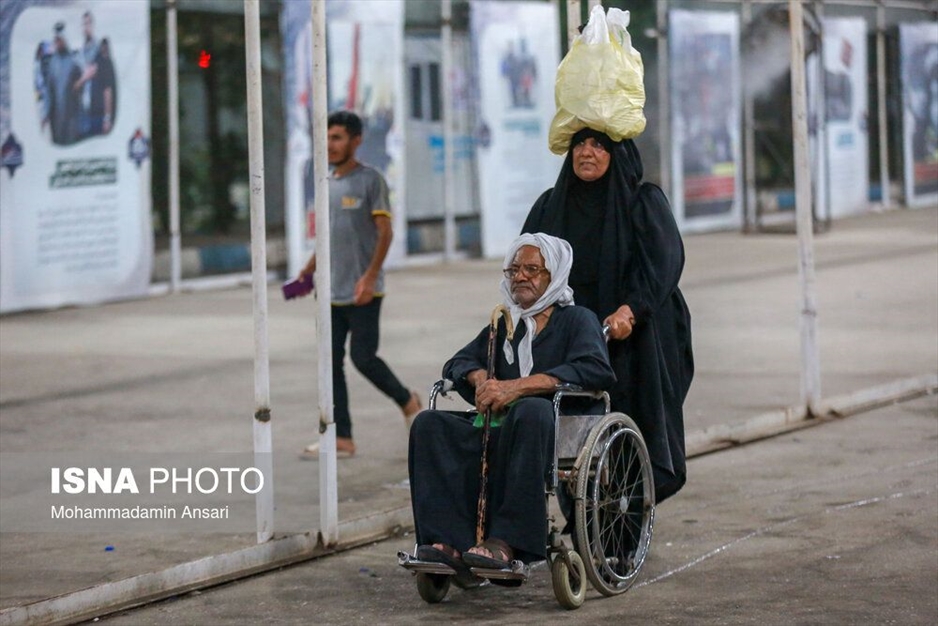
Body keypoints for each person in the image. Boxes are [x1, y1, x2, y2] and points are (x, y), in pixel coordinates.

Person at [408, 233, 615, 580]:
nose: (521, 276)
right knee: (429, 424)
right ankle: (447, 542)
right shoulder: (504, 324)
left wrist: (517, 387)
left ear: (554, 275)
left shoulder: (577, 320)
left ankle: (506, 542)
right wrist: (480, 378)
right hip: (502, 426)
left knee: (530, 410)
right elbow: (457, 363)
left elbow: (595, 369)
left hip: (553, 426)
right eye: (514, 269)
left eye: (533, 269)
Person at [521, 128, 694, 504]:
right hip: (575, 331)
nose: (587, 152)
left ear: (618, 154)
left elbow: (664, 262)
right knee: (567, 418)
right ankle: (583, 511)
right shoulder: (551, 206)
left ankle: (630, 514)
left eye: (599, 145)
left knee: (635, 416)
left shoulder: (642, 202)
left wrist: (630, 310)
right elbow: (527, 262)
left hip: (636, 330)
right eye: (580, 144)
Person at [299, 110, 420, 458]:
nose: (330, 145)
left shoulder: (371, 181)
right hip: (331, 293)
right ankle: (342, 439)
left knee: (363, 357)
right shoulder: (326, 184)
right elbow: (326, 238)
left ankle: (407, 401)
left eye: (337, 137)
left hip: (364, 291)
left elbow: (386, 232)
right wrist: (306, 275)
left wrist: (369, 277)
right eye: (327, 137)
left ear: (355, 140)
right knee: (330, 362)